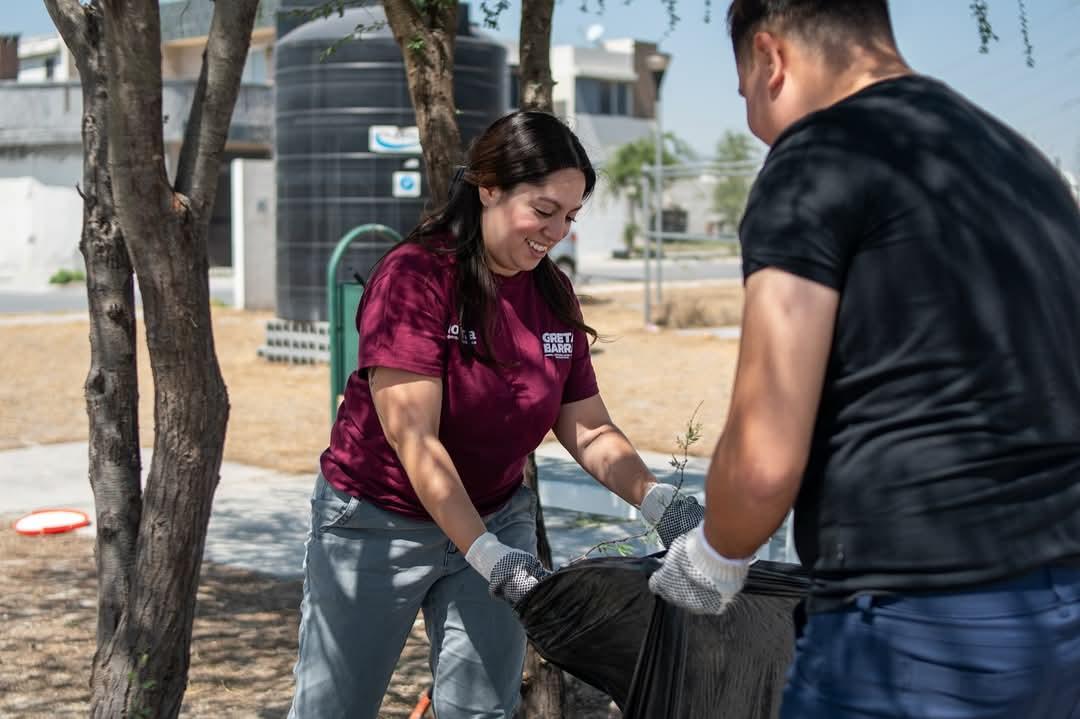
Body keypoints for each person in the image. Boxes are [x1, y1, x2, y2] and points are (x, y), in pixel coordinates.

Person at [650, 1, 1080, 717]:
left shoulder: (818, 159)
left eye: (746, 95)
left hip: (917, 630)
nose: (756, 125)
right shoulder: (1020, 163)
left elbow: (762, 458)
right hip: (1058, 614)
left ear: (770, 58)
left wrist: (712, 558)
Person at [287, 111, 703, 719]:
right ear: (489, 189)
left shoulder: (551, 293)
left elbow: (588, 427)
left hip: (496, 515)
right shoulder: (416, 278)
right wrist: (483, 553)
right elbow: (415, 439)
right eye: (544, 210)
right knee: (335, 709)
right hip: (378, 522)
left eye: (570, 216)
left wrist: (658, 501)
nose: (556, 232)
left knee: (482, 709)